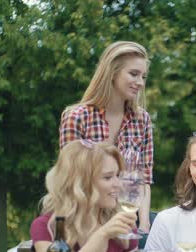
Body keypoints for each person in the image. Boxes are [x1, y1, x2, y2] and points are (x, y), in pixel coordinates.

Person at [59, 41, 153, 234]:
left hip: (129, 222)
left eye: (143, 76)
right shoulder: (77, 117)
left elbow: (141, 181)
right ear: (112, 72)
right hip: (86, 223)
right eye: (134, 74)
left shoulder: (142, 119)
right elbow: (70, 181)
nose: (141, 83)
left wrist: (143, 227)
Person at [30, 140, 139, 252]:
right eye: (108, 177)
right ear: (81, 183)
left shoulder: (123, 226)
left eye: (118, 176)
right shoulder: (46, 226)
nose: (118, 184)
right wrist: (102, 235)